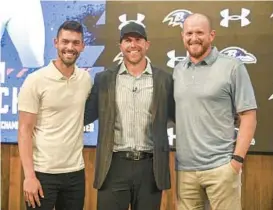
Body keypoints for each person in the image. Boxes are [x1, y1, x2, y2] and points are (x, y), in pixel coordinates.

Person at [84, 21, 175, 210]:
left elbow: (182, 116)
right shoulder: (104, 79)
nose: (133, 45)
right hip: (113, 166)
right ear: (120, 46)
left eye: (138, 40)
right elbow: (83, 115)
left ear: (147, 45)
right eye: (127, 40)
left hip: (150, 168)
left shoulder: (164, 80)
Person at [173, 13, 257, 210]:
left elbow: (248, 116)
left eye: (200, 32)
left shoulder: (232, 67)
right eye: (189, 33)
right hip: (185, 172)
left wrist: (236, 161)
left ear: (211, 35)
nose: (194, 38)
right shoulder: (178, 70)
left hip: (221, 168)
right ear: (182, 36)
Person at [18, 20, 91, 210]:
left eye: (76, 43)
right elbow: (24, 130)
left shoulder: (85, 79)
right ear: (55, 42)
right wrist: (29, 176)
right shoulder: (35, 81)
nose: (70, 47)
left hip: (75, 174)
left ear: (82, 46)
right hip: (42, 174)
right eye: (65, 41)